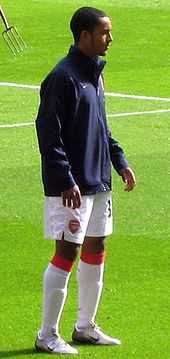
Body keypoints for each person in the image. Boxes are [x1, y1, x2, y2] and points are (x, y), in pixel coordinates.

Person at [35, 6, 136, 355]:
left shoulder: (96, 74)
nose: (110, 38)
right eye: (105, 32)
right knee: (67, 251)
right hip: (72, 187)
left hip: (99, 180)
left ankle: (85, 327)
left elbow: (102, 127)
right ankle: (47, 334)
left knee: (96, 249)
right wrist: (65, 179)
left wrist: (119, 160)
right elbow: (49, 135)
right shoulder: (61, 77)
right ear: (85, 35)